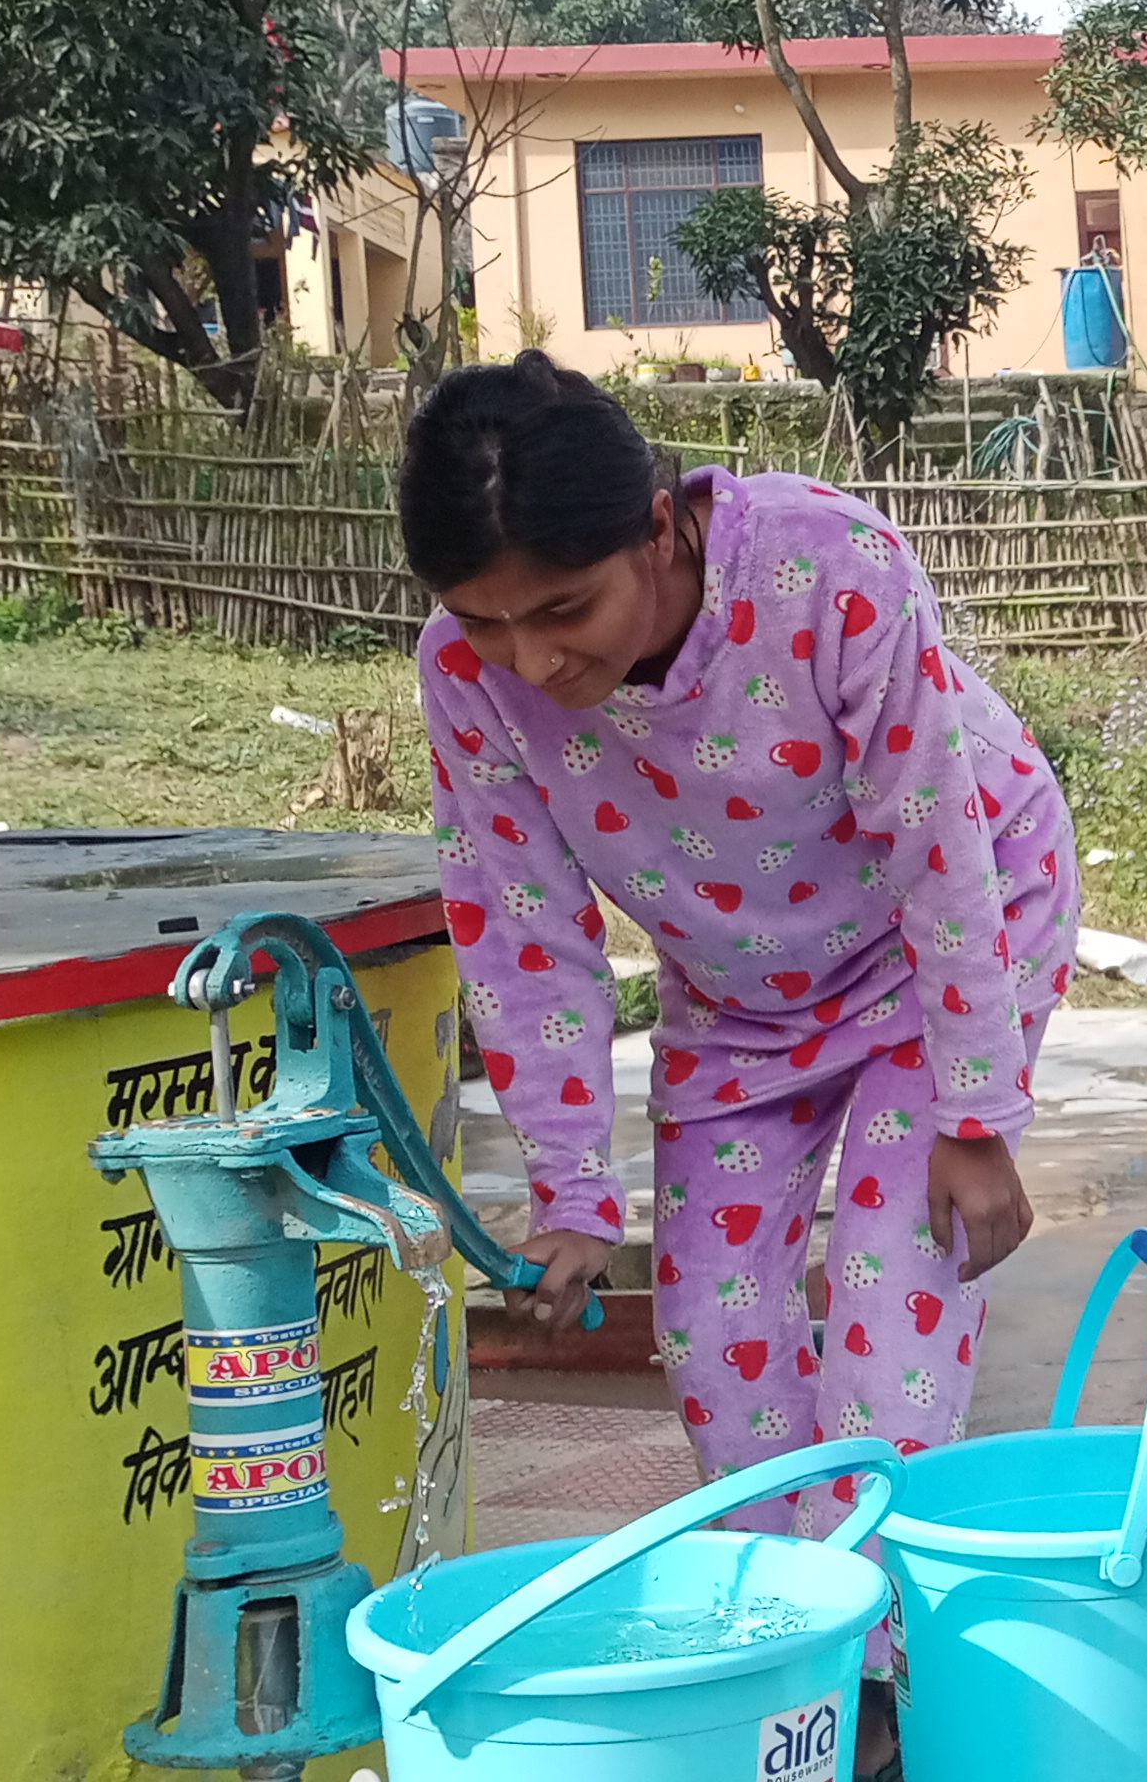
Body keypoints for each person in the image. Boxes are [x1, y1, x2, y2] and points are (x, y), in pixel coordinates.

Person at [399, 353, 1080, 1531]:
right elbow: (520, 928)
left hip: (948, 936)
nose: (534, 661)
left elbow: (935, 839)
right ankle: (789, 1648)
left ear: (658, 530)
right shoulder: (466, 679)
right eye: (485, 620)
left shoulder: (827, 568)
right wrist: (572, 1189)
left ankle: (879, 1680)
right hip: (739, 995)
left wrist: (976, 1115)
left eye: (565, 609)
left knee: (889, 1305)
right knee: (712, 1338)